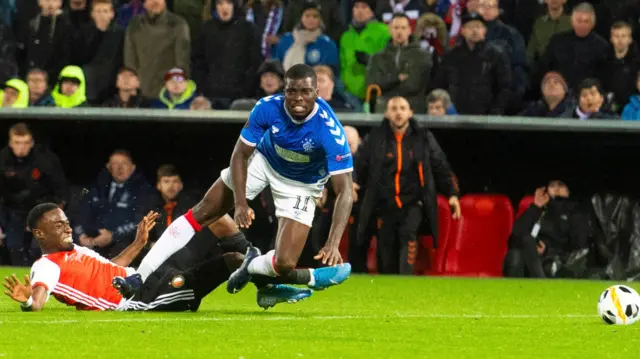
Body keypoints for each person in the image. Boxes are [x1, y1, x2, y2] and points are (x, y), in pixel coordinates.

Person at [113, 64, 353, 297]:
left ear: (316, 94)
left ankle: (250, 265)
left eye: (305, 92)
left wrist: (333, 243)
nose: (298, 98)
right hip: (265, 162)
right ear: (284, 92)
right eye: (292, 91)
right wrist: (240, 202)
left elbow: (344, 192)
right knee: (203, 212)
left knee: (285, 263)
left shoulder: (330, 131)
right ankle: (139, 276)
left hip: (301, 184)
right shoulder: (267, 108)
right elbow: (240, 154)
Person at [2, 204, 313, 312]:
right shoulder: (46, 265)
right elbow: (39, 300)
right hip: (137, 301)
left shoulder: (77, 251)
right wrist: (28, 300)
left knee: (217, 218)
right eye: (59, 225)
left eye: (67, 221)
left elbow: (116, 267)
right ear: (39, 234)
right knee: (233, 261)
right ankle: (286, 279)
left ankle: (267, 285)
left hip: (145, 278)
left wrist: (139, 243)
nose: (67, 226)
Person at [354, 96, 460, 274]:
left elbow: (440, 165)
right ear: (387, 114)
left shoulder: (423, 137)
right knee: (386, 252)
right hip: (384, 204)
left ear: (410, 113)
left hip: (412, 202)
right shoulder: (376, 138)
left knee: (408, 237)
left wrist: (452, 194)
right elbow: (359, 162)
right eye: (393, 109)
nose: (398, 113)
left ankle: (406, 282)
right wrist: (352, 182)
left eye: (402, 108)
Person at [0, 123, 68, 266]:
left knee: (37, 248)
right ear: (10, 143)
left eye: (25, 143)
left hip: (42, 210)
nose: (21, 147)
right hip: (13, 212)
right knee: (14, 246)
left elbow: (60, 191)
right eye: (17, 143)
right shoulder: (3, 159)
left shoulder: (46, 160)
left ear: (31, 143)